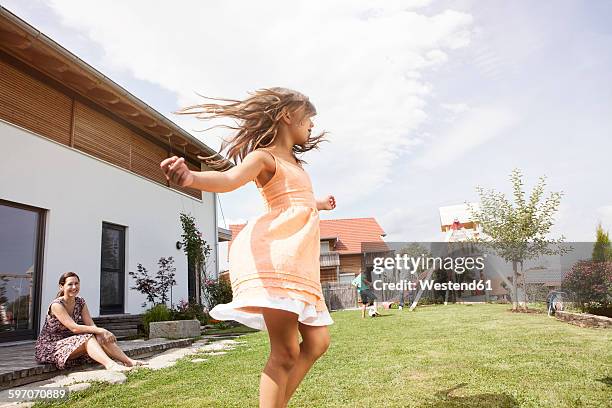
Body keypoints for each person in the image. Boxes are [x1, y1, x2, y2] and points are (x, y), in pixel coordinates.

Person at [160, 87, 336, 408]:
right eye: (309, 117)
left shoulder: (295, 163)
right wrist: (191, 179)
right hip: (277, 256)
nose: (312, 125)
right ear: (287, 116)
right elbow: (229, 180)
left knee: (317, 341)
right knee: (285, 352)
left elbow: (297, 200)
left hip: (299, 259)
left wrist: (319, 204)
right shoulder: (263, 157)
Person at [35, 272, 147, 371]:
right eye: (70, 284)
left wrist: (100, 333)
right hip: (51, 348)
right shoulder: (56, 305)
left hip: (70, 344)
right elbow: (74, 327)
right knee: (88, 337)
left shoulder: (80, 302)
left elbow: (90, 324)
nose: (74, 287)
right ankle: (111, 365)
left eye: (77, 283)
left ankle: (128, 361)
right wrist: (101, 330)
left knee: (99, 336)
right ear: (61, 287)